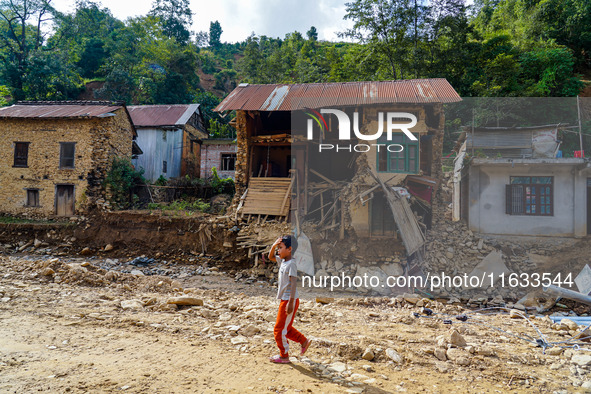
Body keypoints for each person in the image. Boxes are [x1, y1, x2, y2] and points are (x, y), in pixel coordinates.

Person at [267, 235, 312, 363]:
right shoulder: (283, 261)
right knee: (285, 328)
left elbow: (293, 283)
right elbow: (270, 257)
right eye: (278, 248)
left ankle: (284, 355)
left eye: (281, 248)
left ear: (290, 249)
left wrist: (291, 302)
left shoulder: (291, 264)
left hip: (289, 300)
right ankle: (304, 341)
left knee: (278, 330)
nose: (278, 251)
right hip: (286, 300)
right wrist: (274, 245)